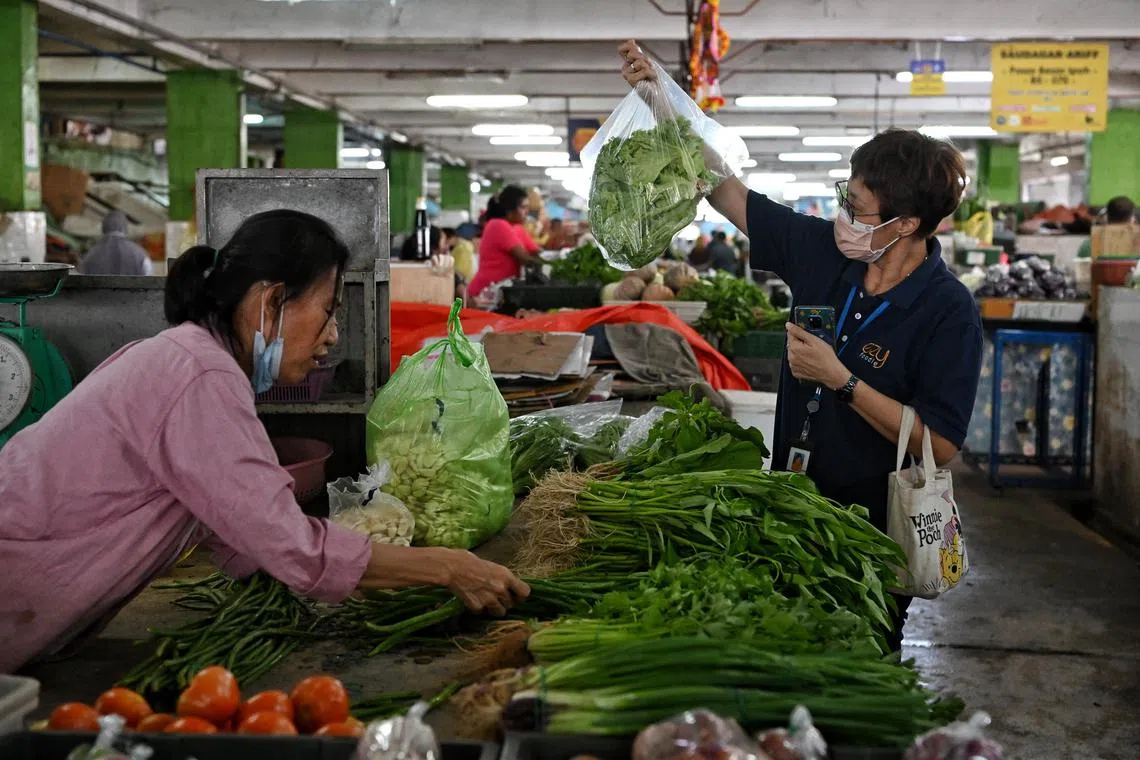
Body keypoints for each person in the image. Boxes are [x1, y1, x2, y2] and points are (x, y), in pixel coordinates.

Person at [0, 209, 528, 673]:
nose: (334, 334)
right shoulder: (198, 374)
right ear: (272, 301)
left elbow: (243, 537)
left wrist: (336, 574)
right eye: (328, 309)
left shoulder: (193, 361)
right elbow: (290, 546)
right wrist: (447, 567)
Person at [620, 41, 983, 649]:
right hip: (789, 512)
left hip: (872, 535)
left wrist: (841, 380)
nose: (843, 212)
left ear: (907, 226)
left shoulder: (948, 311)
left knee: (856, 665)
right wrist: (662, 97)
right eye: (846, 195)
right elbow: (724, 189)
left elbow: (940, 444)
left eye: (857, 206)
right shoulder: (823, 251)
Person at [468, 185, 541, 300]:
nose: (527, 212)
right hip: (485, 293)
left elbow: (535, 252)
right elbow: (525, 258)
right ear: (510, 209)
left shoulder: (517, 228)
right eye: (523, 207)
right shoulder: (498, 225)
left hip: (499, 291)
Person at [78, 211, 154, 276]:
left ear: (103, 227)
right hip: (131, 293)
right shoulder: (139, 253)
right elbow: (148, 276)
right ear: (125, 227)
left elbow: (82, 275)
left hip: (98, 293)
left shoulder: (91, 253)